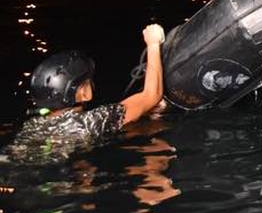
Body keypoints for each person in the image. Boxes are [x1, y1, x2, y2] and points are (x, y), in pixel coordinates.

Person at [2, 24, 166, 165]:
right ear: (83, 93)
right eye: (88, 81)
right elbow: (152, 95)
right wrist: (153, 44)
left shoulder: (33, 125)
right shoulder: (91, 122)